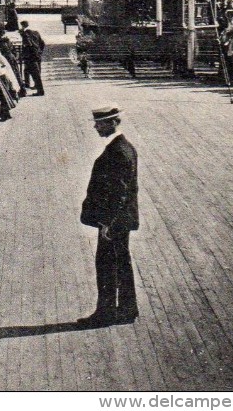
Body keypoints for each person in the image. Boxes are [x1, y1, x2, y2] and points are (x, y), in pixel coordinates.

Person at [78, 104, 139, 327]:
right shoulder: (121, 147)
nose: (96, 127)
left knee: (107, 265)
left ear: (113, 123)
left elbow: (120, 193)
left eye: (100, 123)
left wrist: (107, 224)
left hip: (113, 222)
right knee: (120, 262)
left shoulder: (119, 151)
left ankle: (106, 313)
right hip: (118, 220)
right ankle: (126, 309)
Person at [19, 20, 45, 95]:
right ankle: (32, 86)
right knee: (34, 72)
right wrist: (40, 52)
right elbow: (42, 43)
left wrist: (24, 53)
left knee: (35, 74)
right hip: (37, 55)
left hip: (30, 56)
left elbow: (28, 44)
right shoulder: (36, 32)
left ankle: (40, 91)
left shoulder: (25, 34)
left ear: (23, 26)